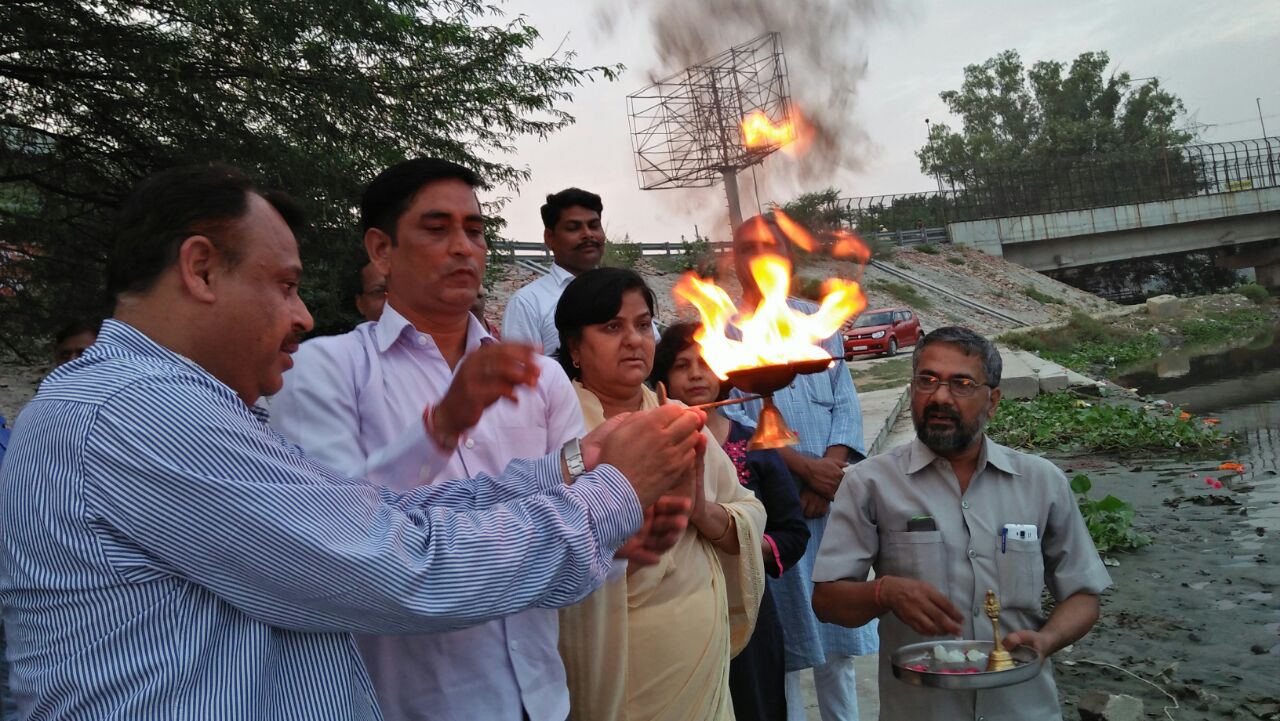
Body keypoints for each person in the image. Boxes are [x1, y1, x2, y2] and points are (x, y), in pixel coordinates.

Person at [0, 163, 706, 720]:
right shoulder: (143, 413)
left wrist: (580, 463)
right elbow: (391, 564)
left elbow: (373, 515)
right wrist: (610, 493)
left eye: (475, 229)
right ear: (201, 269)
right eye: (285, 285)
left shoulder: (164, 404)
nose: (303, 315)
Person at [271, 157, 642, 721]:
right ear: (381, 249)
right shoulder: (324, 370)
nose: (464, 248)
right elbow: (342, 540)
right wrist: (440, 428)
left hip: (541, 696)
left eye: (474, 230)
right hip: (415, 703)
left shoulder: (539, 377)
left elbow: (580, 517)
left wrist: (622, 539)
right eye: (437, 228)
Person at [812, 327, 1112, 721]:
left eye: (962, 384)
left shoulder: (1042, 482)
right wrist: (884, 593)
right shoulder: (869, 483)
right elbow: (827, 602)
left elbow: (1083, 594)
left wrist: (1048, 639)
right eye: (927, 380)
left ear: (993, 401)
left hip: (1024, 707)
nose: (939, 396)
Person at [555, 268, 767, 721]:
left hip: (700, 660)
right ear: (574, 347)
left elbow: (748, 511)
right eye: (612, 327)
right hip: (614, 661)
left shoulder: (681, 417)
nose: (634, 340)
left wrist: (701, 511)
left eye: (642, 324)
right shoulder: (556, 429)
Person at [721, 213, 876, 721]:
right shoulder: (722, 332)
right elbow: (738, 419)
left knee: (837, 646)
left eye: (771, 245)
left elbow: (844, 403)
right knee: (783, 645)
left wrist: (828, 473)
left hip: (827, 501)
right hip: (773, 504)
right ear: (734, 260)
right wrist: (802, 473)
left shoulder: (818, 322)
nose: (761, 256)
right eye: (748, 248)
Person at [650, 322, 810, 721]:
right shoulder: (649, 448)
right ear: (663, 377)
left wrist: (738, 540)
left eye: (706, 362)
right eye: (682, 365)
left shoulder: (755, 445)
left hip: (747, 613)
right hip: (677, 615)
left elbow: (792, 533)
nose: (695, 374)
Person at [501, 188, 604, 355]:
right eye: (573, 228)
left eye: (594, 226)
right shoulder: (528, 303)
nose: (588, 234)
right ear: (549, 238)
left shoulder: (622, 290)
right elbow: (519, 368)